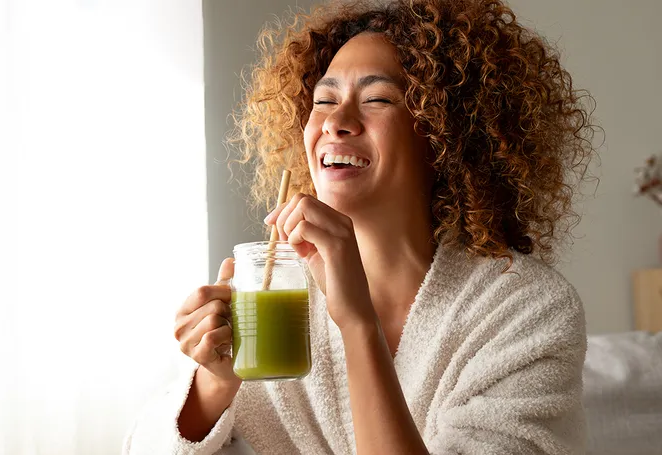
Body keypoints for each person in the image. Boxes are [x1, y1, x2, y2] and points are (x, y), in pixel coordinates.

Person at [123, 0, 595, 453]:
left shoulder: (527, 309)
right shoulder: (269, 296)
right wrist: (214, 384)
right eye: (324, 100)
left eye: (377, 99)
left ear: (446, 135)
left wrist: (357, 323)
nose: (336, 122)